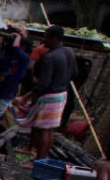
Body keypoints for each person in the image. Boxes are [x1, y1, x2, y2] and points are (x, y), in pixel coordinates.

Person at [11, 25, 77, 162]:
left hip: (49, 97)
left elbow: (43, 84)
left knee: (43, 130)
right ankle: (42, 160)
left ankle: (38, 162)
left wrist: (25, 97)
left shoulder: (50, 57)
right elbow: (74, 73)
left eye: (46, 37)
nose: (43, 40)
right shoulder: (69, 52)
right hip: (62, 95)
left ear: (54, 39)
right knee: (50, 130)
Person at [0, 33, 31, 126]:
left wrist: (18, 37)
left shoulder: (25, 58)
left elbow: (16, 47)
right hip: (3, 86)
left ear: (24, 47)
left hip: (10, 89)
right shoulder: (13, 58)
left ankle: (1, 128)